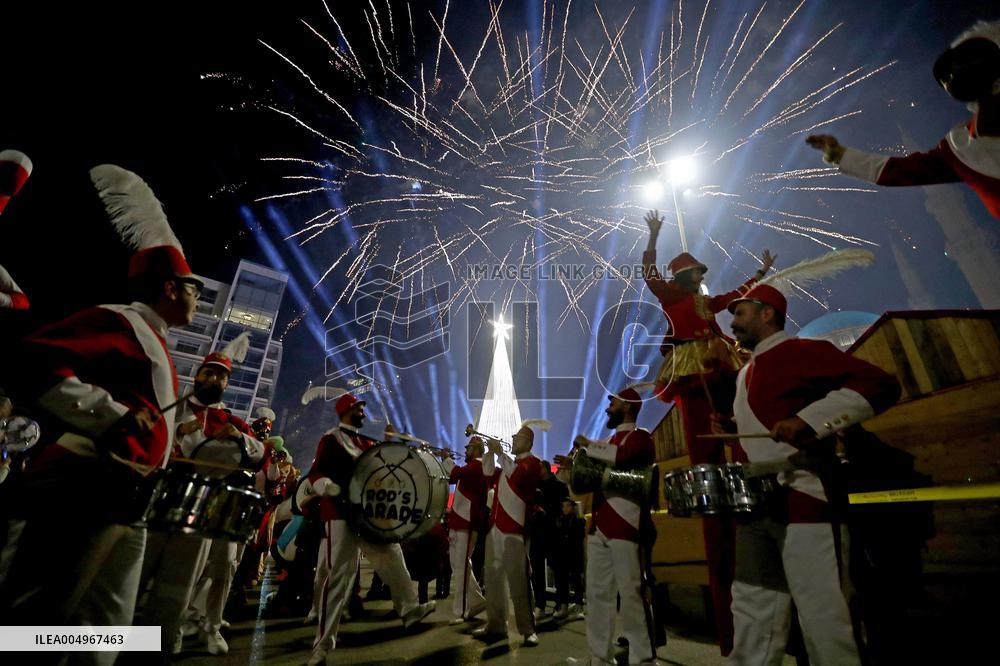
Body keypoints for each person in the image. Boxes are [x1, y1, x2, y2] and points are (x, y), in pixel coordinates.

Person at [0, 165, 197, 666]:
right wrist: (109, 415)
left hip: (130, 501)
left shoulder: (159, 345)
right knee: (31, 628)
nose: (197, 295)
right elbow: (28, 359)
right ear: (169, 287)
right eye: (192, 286)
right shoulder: (120, 319)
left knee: (105, 635)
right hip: (80, 491)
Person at [719, 283, 901, 665]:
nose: (732, 322)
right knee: (752, 617)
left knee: (824, 618)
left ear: (767, 312)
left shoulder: (804, 350)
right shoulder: (744, 375)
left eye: (740, 313)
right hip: (756, 510)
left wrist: (808, 420)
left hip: (806, 499)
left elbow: (881, 384)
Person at [642, 209, 774, 655]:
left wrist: (759, 275)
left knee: (736, 413)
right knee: (704, 438)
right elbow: (647, 272)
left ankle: (746, 465)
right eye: (691, 273)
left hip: (717, 360)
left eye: (697, 273)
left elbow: (733, 297)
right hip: (691, 364)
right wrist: (653, 234)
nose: (695, 279)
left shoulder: (703, 301)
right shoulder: (669, 296)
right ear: (680, 276)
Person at [806, 20, 1000, 219]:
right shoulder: (962, 148)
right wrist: (841, 155)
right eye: (950, 71)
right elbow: (900, 171)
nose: (956, 72)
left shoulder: (963, 147)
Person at [149, 338, 264, 657]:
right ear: (197, 376)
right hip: (158, 499)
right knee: (139, 571)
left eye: (221, 376)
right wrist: (175, 433)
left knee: (186, 578)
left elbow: (260, 457)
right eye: (208, 374)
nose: (214, 380)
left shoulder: (230, 420)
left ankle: (168, 640)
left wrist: (240, 437)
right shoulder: (170, 406)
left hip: (204, 507)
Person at [306, 391, 435, 665]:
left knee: (392, 556)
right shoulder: (330, 439)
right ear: (346, 411)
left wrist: (389, 447)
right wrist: (325, 486)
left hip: (367, 516)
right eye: (358, 408)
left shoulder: (366, 442)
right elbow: (316, 473)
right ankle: (322, 645)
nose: (363, 412)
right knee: (339, 577)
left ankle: (409, 609)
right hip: (339, 513)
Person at [567, 386, 657, 666]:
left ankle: (643, 658)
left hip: (627, 526)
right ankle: (598, 656)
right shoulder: (608, 441)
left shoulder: (641, 437)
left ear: (628, 407)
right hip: (601, 525)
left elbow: (624, 456)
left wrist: (590, 446)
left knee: (631, 593)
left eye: (613, 403)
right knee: (596, 594)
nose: (608, 408)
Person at [473, 421, 547, 647]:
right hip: (495, 527)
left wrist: (500, 452)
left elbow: (518, 478)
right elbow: (486, 473)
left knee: (519, 581)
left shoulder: (532, 463)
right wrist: (488, 452)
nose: (513, 440)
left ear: (528, 441)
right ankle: (496, 625)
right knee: (493, 579)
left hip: (514, 529)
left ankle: (528, 629)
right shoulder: (509, 464)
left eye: (517, 437)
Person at [437, 436, 491, 624]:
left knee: (460, 568)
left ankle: (460, 610)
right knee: (460, 566)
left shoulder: (478, 466)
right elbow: (453, 476)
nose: (465, 450)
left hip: (467, 523)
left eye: (468, 447)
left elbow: (454, 473)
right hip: (461, 522)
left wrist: (446, 458)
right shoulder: (472, 467)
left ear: (477, 449)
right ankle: (476, 601)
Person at [530, 459, 569, 618]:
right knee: (537, 569)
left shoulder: (559, 485)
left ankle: (562, 604)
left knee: (559, 568)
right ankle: (540, 604)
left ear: (545, 469)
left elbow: (566, 508)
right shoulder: (534, 486)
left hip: (554, 531)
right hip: (538, 531)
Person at [552, 498, 585, 619]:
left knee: (576, 580)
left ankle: (579, 606)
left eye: (568, 506)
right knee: (562, 581)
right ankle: (564, 606)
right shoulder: (560, 520)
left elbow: (579, 536)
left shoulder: (577, 520)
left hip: (574, 554)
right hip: (563, 554)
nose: (565, 509)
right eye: (563, 506)